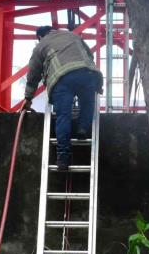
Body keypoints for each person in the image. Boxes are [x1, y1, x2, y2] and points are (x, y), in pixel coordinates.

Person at [22, 25, 103, 171]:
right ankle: (83, 128)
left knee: (63, 116)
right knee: (87, 102)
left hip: (62, 79)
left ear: (40, 36)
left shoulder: (41, 45)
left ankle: (63, 158)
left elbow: (33, 74)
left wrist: (28, 98)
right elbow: (89, 55)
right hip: (87, 72)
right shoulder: (73, 36)